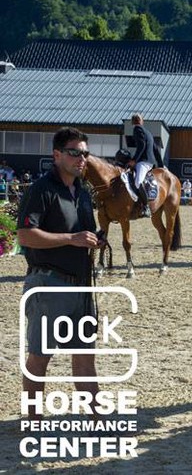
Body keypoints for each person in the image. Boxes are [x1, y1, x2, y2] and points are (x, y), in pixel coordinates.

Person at [16, 127, 105, 419]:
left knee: (85, 356)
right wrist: (71, 239)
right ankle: (33, 419)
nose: (82, 159)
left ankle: (95, 419)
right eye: (75, 152)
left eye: (85, 154)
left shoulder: (82, 193)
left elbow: (83, 232)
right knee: (40, 356)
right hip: (48, 283)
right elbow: (26, 236)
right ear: (57, 155)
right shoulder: (41, 189)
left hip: (80, 285)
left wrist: (94, 239)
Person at [128, 113, 158, 218]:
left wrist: (134, 160)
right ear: (142, 121)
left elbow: (141, 145)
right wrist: (161, 165)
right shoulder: (148, 132)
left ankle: (146, 207)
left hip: (143, 162)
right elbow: (156, 149)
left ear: (133, 122)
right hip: (150, 161)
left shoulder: (137, 130)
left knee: (137, 182)